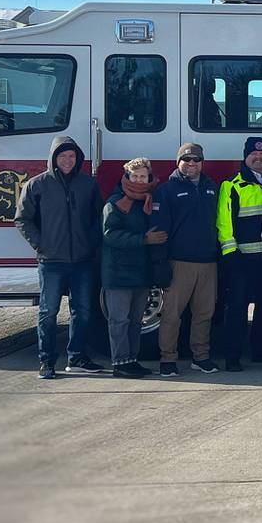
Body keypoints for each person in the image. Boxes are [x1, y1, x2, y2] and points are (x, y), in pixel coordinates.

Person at [14, 136, 105, 379]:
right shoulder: (37, 185)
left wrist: (91, 243)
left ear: (78, 159)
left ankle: (76, 357)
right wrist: (41, 244)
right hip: (51, 261)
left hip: (83, 261)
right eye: (62, 156)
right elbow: (22, 219)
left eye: (72, 156)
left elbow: (99, 218)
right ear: (54, 158)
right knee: (48, 312)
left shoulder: (88, 185)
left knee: (83, 311)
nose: (67, 160)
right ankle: (46, 362)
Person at [217, 136, 262, 371]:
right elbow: (224, 222)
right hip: (243, 260)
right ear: (245, 158)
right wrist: (230, 253)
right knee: (237, 308)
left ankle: (261, 350)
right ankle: (232, 356)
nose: (258, 158)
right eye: (253, 155)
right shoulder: (233, 186)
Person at [153, 143, 221, 377]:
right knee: (172, 315)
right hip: (179, 262)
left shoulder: (212, 187)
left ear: (202, 162)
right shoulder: (167, 190)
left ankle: (200, 357)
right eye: (187, 160)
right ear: (178, 162)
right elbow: (160, 229)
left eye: (196, 160)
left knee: (204, 314)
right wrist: (161, 261)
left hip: (208, 262)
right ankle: (167, 359)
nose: (192, 164)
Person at [100, 158, 168, 379]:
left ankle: (132, 360)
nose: (139, 180)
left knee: (136, 321)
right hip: (118, 272)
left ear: (149, 178)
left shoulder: (149, 201)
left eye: (143, 176)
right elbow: (111, 235)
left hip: (142, 272)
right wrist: (144, 239)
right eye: (135, 176)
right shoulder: (115, 203)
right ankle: (120, 363)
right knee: (119, 320)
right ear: (127, 177)